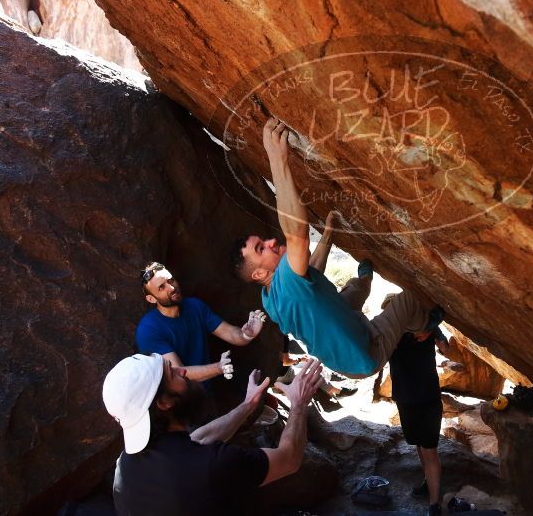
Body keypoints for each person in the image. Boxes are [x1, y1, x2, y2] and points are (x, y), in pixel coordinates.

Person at [230, 117, 443, 379]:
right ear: (259, 274)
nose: (272, 242)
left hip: (339, 353)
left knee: (349, 291)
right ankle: (425, 326)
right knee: (408, 300)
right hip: (365, 353)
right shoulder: (286, 277)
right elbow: (297, 236)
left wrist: (328, 236)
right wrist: (276, 158)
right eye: (261, 248)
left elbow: (309, 273)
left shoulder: (270, 298)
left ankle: (364, 280)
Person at [102, 353, 323, 515]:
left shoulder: (125, 466)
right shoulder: (216, 465)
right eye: (173, 373)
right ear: (164, 402)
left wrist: (247, 405)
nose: (183, 371)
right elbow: (289, 458)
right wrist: (299, 402)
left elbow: (197, 440)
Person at [137, 262, 267, 382]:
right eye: (161, 287)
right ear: (151, 299)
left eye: (171, 280)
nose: (171, 287)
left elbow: (230, 333)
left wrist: (247, 335)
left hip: (205, 392)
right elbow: (179, 373)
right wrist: (219, 367)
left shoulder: (194, 306)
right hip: (177, 402)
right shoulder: (149, 329)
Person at [386, 316, 448, 516]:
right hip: (405, 399)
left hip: (427, 398)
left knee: (429, 450)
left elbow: (446, 348)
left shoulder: (428, 327)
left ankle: (434, 504)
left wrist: (433, 333)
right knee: (419, 446)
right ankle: (428, 481)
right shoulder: (390, 333)